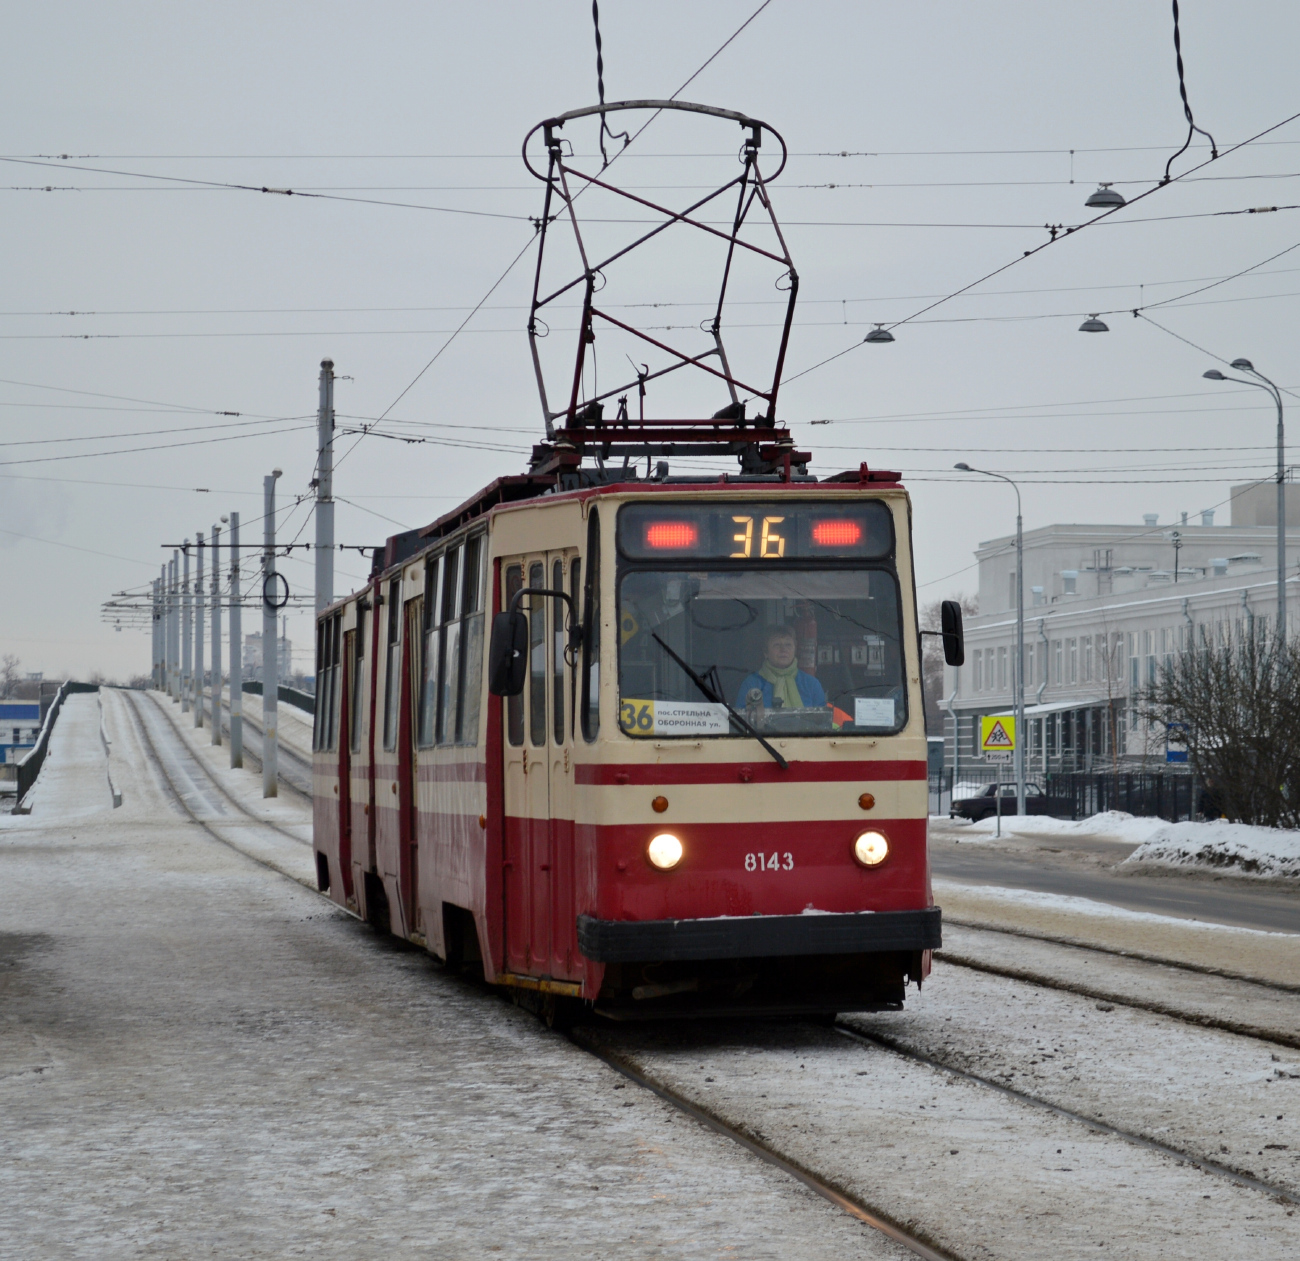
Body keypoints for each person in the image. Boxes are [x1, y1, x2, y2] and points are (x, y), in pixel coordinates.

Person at [735, 627, 826, 711]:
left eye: (788, 644)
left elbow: (822, 723)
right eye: (777, 645)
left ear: (795, 650)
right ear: (766, 652)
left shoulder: (812, 684)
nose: (783, 649)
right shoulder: (752, 684)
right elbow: (742, 722)